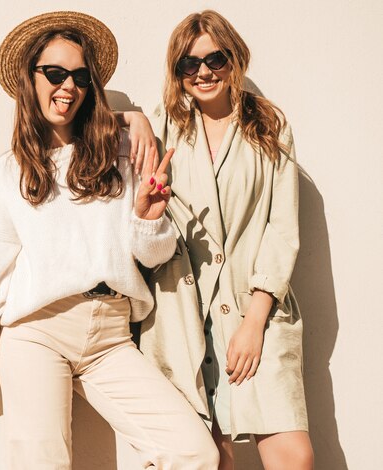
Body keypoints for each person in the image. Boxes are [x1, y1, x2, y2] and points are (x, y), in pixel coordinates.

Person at [0, 11, 219, 470]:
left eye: (79, 77)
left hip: (113, 335)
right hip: (38, 332)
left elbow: (154, 256)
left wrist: (146, 219)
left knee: (194, 451)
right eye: (55, 74)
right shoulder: (6, 174)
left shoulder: (121, 150)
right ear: (31, 79)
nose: (68, 87)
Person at [135, 10, 314, 470]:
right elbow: (93, 123)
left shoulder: (269, 126)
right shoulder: (164, 127)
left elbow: (281, 227)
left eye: (215, 58)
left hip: (256, 306)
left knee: (293, 457)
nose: (204, 72)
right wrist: (128, 116)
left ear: (235, 58)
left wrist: (254, 322)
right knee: (212, 458)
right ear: (177, 73)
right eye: (189, 65)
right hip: (184, 317)